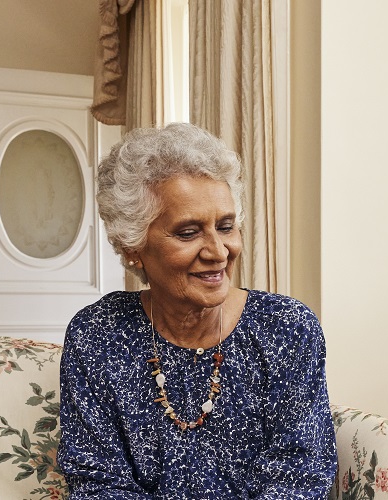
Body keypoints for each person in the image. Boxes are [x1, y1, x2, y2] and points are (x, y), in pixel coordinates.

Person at [58, 123, 336, 498]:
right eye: (188, 233)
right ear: (132, 246)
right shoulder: (97, 334)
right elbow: (98, 483)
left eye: (226, 226)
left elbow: (299, 477)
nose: (219, 252)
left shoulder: (286, 328)